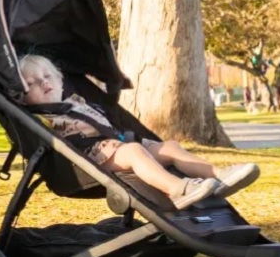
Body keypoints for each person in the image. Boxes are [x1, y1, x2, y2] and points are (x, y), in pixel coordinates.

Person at [19, 55, 259, 210]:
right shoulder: (41, 117)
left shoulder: (76, 101)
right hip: (88, 157)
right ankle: (177, 189)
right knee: (134, 152)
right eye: (31, 83)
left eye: (47, 76)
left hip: (115, 142)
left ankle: (219, 176)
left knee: (170, 146)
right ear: (21, 95)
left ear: (61, 80)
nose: (43, 83)